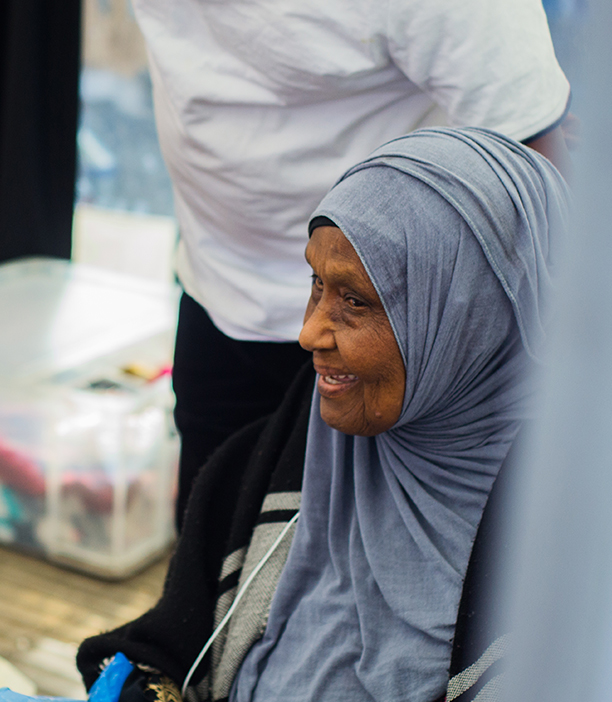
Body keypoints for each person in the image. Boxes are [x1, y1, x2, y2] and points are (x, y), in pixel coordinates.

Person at [77, 127, 569, 702]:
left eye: (355, 301)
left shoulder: (566, 566)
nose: (309, 332)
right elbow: (165, 651)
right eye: (316, 284)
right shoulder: (275, 465)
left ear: (472, 323)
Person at [133, 0, 573, 525]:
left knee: (379, 546)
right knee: (215, 548)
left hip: (388, 332)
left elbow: (535, 185)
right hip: (217, 290)